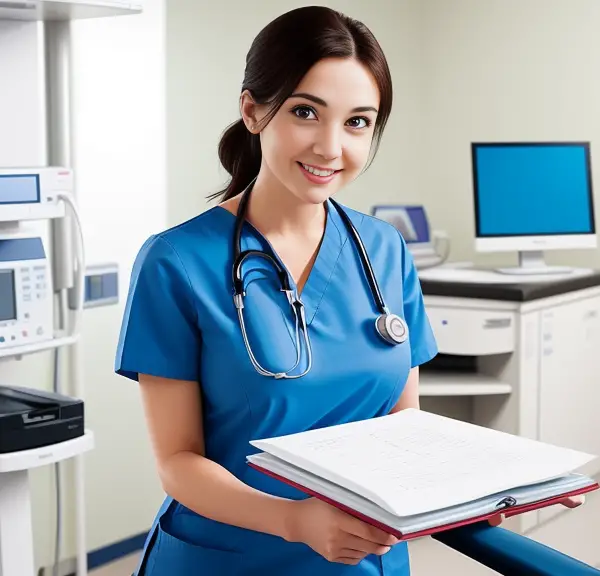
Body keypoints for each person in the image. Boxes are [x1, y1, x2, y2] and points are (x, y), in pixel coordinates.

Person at [114, 6, 583, 575]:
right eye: (306, 112)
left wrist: (482, 493)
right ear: (252, 110)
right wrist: (294, 521)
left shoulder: (385, 250)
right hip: (231, 557)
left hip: (367, 560)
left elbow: (406, 429)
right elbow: (178, 462)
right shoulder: (177, 262)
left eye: (358, 122)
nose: (331, 147)